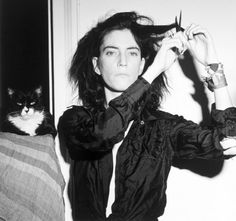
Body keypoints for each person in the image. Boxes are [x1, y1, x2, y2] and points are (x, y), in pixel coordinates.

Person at [58, 11, 236, 221]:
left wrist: (214, 67)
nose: (123, 61)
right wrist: (153, 72)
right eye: (111, 52)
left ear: (142, 64)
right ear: (97, 65)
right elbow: (101, 135)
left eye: (132, 53)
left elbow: (227, 140)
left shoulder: (162, 127)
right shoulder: (76, 120)